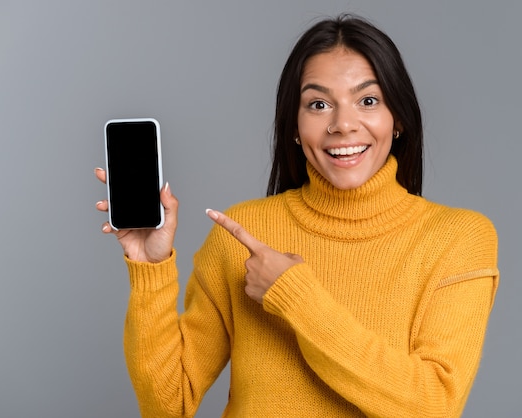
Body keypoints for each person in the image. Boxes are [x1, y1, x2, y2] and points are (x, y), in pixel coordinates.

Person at [95, 14, 498, 418]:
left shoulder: (459, 238)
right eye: (319, 104)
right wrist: (150, 269)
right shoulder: (241, 234)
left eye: (368, 100)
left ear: (399, 121)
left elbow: (433, 406)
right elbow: (169, 405)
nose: (343, 125)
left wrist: (294, 296)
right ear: (293, 125)